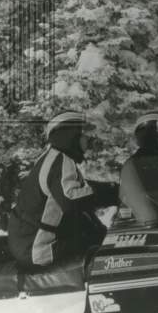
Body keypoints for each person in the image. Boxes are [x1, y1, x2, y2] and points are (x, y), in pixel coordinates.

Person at [7, 111, 107, 269]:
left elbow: (75, 190)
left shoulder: (51, 158)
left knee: (93, 229)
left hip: (26, 242)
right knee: (99, 240)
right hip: (38, 249)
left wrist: (108, 189)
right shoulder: (61, 161)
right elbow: (73, 201)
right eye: (83, 135)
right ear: (70, 136)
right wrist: (111, 193)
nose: (88, 140)